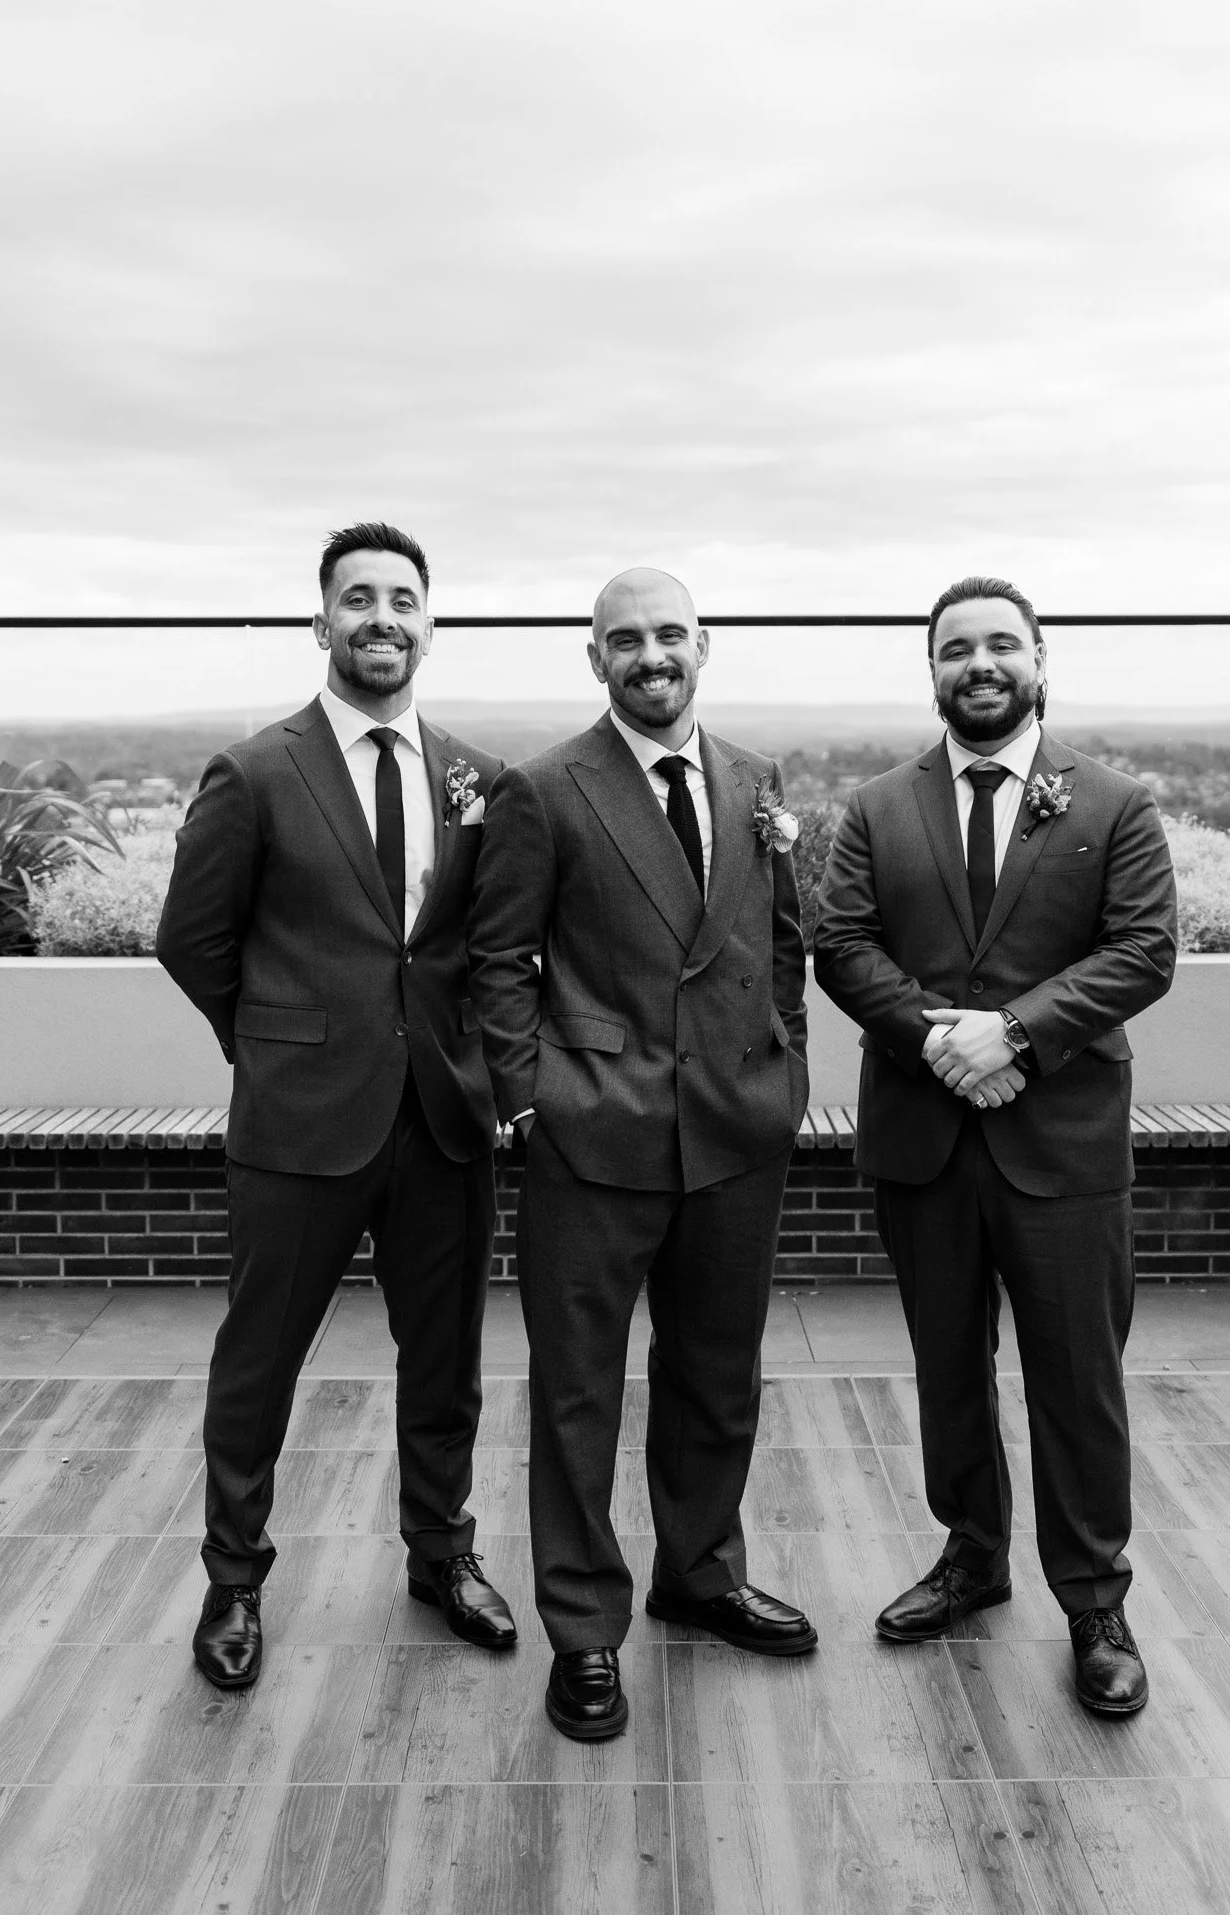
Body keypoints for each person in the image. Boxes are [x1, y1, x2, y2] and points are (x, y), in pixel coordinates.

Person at [157, 522, 516, 1689]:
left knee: (446, 1357)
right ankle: (234, 1576)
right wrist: (274, 1043)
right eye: (357, 598)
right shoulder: (256, 772)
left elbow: (479, 948)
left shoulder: (478, 780)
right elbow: (192, 940)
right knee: (260, 1356)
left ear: (429, 623)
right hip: (299, 1123)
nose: (382, 618)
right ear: (323, 623)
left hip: (442, 1121)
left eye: (402, 599)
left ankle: (440, 1553)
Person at [813, 575, 1176, 1717]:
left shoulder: (1114, 804)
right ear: (930, 669)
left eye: (1001, 645)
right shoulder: (877, 806)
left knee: (1079, 1378)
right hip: (927, 1141)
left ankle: (1094, 1600)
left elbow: (1143, 950)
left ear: (1038, 660)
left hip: (1062, 1142)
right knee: (947, 1366)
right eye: (957, 647)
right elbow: (839, 941)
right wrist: (941, 1040)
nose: (981, 663)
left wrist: (1016, 1031)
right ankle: (972, 1554)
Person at [467, 567, 816, 1741]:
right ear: (595, 657)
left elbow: (782, 944)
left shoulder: (758, 781)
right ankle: (583, 1628)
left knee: (718, 1378)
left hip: (734, 1132)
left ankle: (701, 1573)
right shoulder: (545, 787)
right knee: (577, 1396)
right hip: (592, 1138)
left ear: (704, 645)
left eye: (670, 633)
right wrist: (530, 1105)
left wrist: (785, 1074)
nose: (650, 653)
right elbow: (499, 961)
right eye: (627, 638)